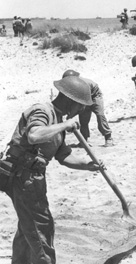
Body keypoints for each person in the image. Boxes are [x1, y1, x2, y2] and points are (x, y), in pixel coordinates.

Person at [2, 76, 101, 263]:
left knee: (27, 226)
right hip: (22, 177)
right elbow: (33, 135)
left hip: (33, 179)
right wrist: (65, 125)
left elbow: (63, 156)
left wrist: (87, 166)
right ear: (70, 100)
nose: (81, 110)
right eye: (80, 105)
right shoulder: (43, 111)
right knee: (41, 229)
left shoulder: (58, 122)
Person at [62, 70, 114, 147]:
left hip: (95, 96)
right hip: (85, 99)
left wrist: (70, 116)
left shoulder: (81, 85)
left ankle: (108, 138)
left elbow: (79, 104)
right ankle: (84, 140)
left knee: (100, 115)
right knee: (83, 120)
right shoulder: (73, 86)